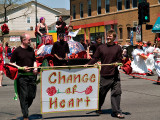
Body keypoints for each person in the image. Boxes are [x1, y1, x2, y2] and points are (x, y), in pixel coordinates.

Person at [86, 30, 124, 119]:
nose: (108, 37)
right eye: (107, 36)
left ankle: (116, 111)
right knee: (102, 93)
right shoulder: (101, 47)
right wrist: (88, 64)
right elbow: (95, 58)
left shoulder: (118, 48)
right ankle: (98, 107)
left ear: (114, 38)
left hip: (115, 74)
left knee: (116, 93)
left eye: (110, 36)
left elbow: (120, 59)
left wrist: (117, 63)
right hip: (104, 74)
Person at [10, 33, 38, 120]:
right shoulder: (17, 51)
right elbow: (11, 63)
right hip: (22, 76)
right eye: (29, 40)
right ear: (23, 40)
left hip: (32, 76)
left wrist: (36, 68)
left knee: (32, 96)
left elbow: (34, 61)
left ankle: (25, 107)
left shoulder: (31, 50)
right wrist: (21, 68)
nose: (30, 41)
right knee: (24, 96)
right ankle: (25, 115)